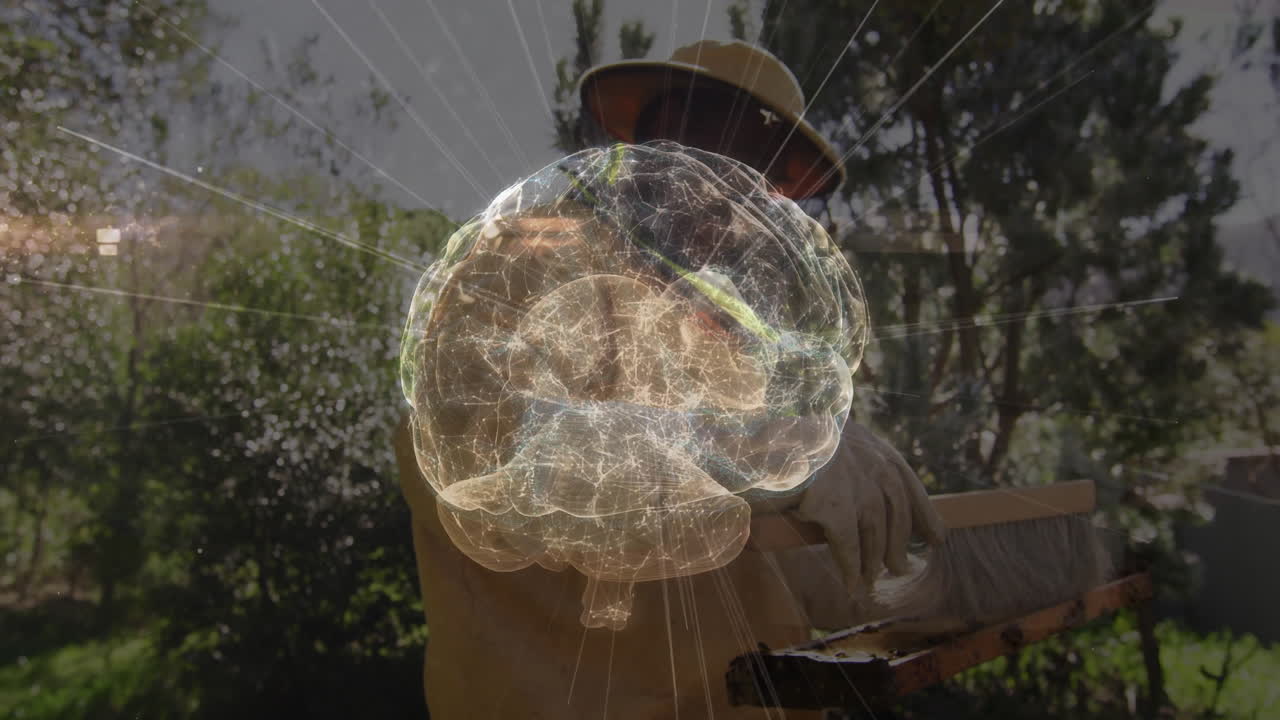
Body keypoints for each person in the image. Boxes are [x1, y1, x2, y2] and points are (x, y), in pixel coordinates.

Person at [394, 40, 943, 719]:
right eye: (730, 172)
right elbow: (489, 459)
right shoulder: (518, 262)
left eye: (764, 194)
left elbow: (762, 555)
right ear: (666, 140)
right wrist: (777, 455)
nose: (741, 215)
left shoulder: (722, 328)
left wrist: (909, 577)